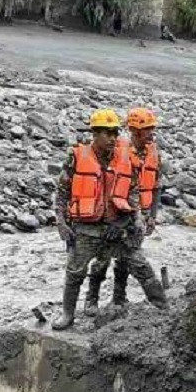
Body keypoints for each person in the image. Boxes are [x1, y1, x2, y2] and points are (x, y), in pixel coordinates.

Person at [51, 109, 167, 331]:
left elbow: (133, 196)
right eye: (107, 133)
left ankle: (164, 308)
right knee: (75, 271)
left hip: (117, 226)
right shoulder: (76, 156)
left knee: (140, 265)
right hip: (85, 228)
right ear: (95, 134)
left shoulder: (125, 160)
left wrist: (122, 222)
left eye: (115, 133)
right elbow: (62, 192)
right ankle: (68, 314)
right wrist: (61, 222)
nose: (113, 138)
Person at [83, 107, 162, 315]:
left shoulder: (153, 151)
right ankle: (91, 299)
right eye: (148, 130)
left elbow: (156, 186)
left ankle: (119, 297)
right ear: (135, 131)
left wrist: (151, 215)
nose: (152, 133)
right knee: (102, 258)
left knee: (127, 258)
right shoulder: (118, 151)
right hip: (113, 215)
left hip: (137, 216)